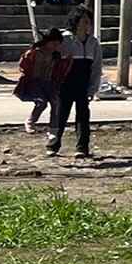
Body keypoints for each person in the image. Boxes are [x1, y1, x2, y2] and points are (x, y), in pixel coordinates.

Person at [47, 8, 101, 159]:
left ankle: (82, 148)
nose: (86, 22)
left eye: (87, 19)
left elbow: (96, 67)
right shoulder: (65, 39)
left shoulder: (93, 43)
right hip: (65, 84)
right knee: (61, 114)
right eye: (82, 18)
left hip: (83, 84)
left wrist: (93, 88)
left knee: (83, 116)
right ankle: (53, 145)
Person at [14, 29, 66, 134]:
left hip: (47, 82)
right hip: (34, 82)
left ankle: (54, 127)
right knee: (41, 103)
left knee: (56, 102)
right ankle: (31, 121)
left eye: (57, 44)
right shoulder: (35, 53)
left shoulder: (55, 56)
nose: (55, 47)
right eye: (53, 44)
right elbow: (23, 66)